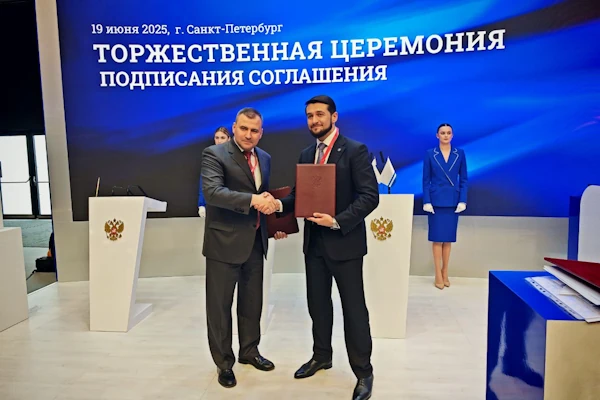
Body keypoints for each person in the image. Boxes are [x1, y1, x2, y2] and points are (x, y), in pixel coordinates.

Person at [274, 95, 379, 400]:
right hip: (315, 246)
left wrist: (337, 221)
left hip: (345, 244)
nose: (314, 120)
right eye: (310, 116)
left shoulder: (355, 150)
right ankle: (322, 356)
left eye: (320, 114)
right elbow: (299, 196)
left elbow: (370, 196)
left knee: (354, 310)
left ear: (334, 117)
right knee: (317, 305)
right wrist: (278, 204)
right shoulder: (307, 153)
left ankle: (363, 372)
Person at [201, 108, 279, 388]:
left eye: (254, 130)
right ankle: (224, 363)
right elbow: (213, 193)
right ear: (234, 127)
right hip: (223, 243)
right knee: (220, 307)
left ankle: (249, 351)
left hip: (255, 242)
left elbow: (263, 197)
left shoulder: (265, 158)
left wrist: (275, 222)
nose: (248, 135)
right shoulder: (215, 154)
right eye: (244, 128)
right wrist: (253, 200)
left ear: (261, 132)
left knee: (251, 302)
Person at [422, 123, 468, 289]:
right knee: (437, 239)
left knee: (448, 239)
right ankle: (437, 273)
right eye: (443, 133)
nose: (446, 135)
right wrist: (427, 201)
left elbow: (464, 179)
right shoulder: (430, 154)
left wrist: (462, 200)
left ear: (452, 135)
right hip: (435, 202)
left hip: (452, 201)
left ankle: (445, 271)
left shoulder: (459, 153)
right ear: (437, 135)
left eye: (448, 133)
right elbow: (426, 180)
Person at [198, 127, 231, 218]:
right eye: (217, 138)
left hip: (231, 203)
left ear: (229, 139)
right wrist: (201, 205)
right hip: (214, 203)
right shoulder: (209, 157)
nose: (219, 141)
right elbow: (203, 183)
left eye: (222, 138)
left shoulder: (236, 157)